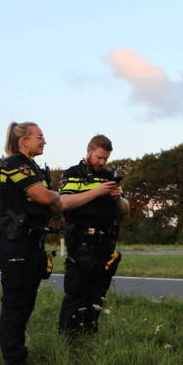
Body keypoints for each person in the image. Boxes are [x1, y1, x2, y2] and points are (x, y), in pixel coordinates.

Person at [0, 122, 62, 365]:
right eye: (40, 137)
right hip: (14, 240)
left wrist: (49, 197)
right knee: (15, 303)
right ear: (24, 141)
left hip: (32, 241)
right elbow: (44, 198)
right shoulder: (14, 164)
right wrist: (49, 196)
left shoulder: (34, 168)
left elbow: (52, 203)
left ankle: (20, 358)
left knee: (26, 303)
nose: (44, 141)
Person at [58, 135, 129, 337]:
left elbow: (125, 209)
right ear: (89, 150)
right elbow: (64, 203)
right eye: (99, 157)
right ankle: (68, 337)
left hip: (105, 243)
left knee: (98, 294)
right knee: (76, 293)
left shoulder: (109, 176)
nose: (102, 162)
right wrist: (97, 192)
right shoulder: (73, 174)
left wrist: (117, 199)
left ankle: (89, 333)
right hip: (81, 242)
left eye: (105, 159)